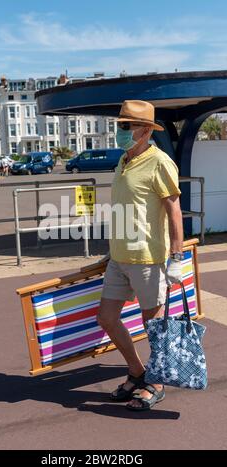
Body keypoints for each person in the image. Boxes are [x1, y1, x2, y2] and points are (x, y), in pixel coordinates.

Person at [97, 100, 184, 411]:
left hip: (149, 258)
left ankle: (156, 383)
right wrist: (110, 252)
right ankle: (137, 372)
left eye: (126, 126)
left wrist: (176, 256)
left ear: (146, 130)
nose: (120, 131)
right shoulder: (123, 161)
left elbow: (174, 210)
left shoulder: (160, 162)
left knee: (153, 326)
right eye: (119, 125)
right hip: (120, 259)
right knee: (106, 318)